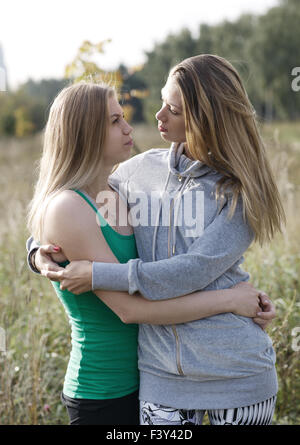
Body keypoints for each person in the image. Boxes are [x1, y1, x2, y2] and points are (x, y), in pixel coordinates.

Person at [26, 79, 272, 426]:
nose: (129, 127)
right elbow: (130, 310)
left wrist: (38, 253)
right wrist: (230, 300)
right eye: (114, 121)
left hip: (146, 380)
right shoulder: (72, 205)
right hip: (103, 390)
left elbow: (191, 265)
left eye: (122, 117)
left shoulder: (120, 189)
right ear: (84, 133)